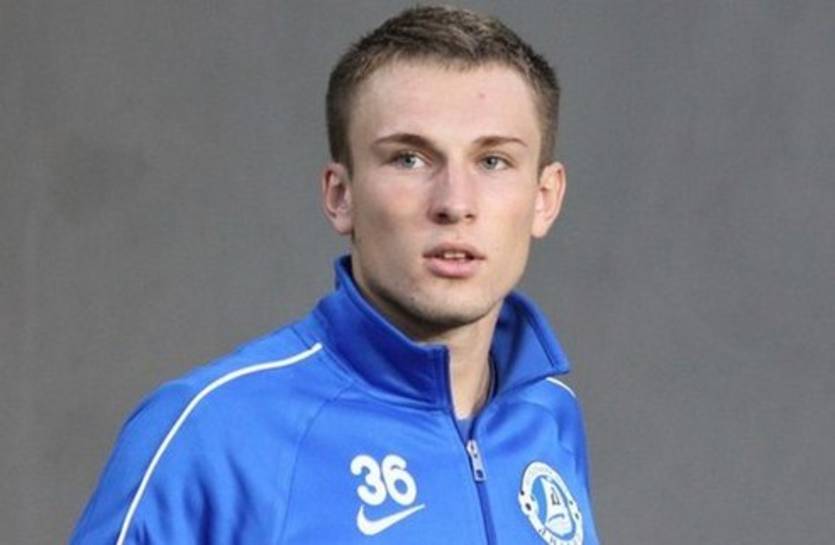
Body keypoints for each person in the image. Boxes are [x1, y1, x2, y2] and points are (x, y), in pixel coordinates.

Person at [70, 5, 600, 544]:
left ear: (544, 198)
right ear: (341, 196)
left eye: (493, 161)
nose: (455, 203)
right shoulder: (210, 433)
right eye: (410, 159)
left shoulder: (547, 414)